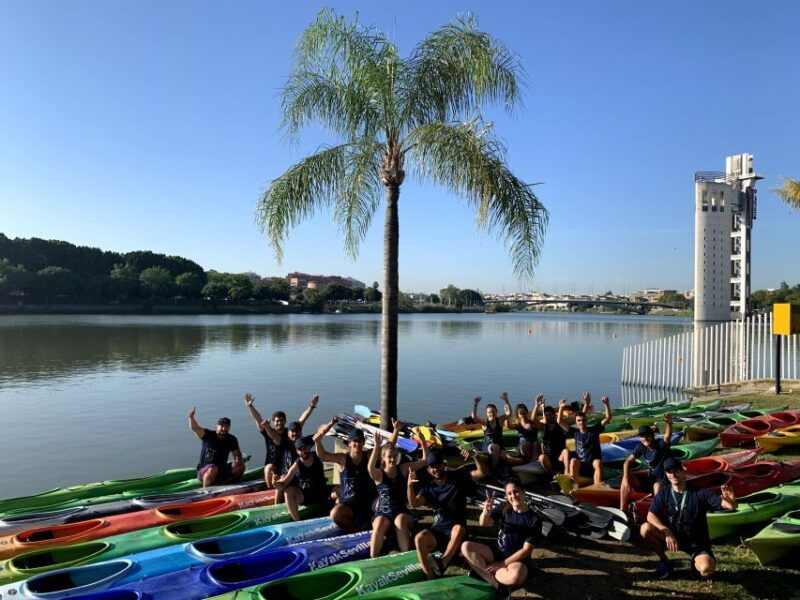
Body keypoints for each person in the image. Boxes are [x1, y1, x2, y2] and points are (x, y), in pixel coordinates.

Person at [640, 457, 736, 579]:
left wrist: (731, 502)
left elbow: (727, 505)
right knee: (645, 528)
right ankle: (665, 562)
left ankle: (695, 562)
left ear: (683, 471)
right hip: (673, 537)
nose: (673, 474)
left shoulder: (700, 493)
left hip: (696, 543)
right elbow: (651, 515)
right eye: (669, 472)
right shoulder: (664, 492)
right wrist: (666, 531)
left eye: (676, 471)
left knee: (706, 570)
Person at [407, 448, 484, 579]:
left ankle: (443, 562)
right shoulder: (429, 487)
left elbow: (482, 472)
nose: (435, 469)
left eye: (437, 465)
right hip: (439, 529)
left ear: (444, 465)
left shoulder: (458, 477)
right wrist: (409, 486)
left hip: (457, 531)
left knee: (458, 528)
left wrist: (475, 456)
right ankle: (429, 575)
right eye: (431, 467)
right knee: (419, 537)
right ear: (428, 470)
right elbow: (414, 504)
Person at [461, 478, 541, 597]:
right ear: (506, 496)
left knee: (517, 576)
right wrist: (485, 512)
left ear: (523, 491)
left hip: (516, 560)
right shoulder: (504, 507)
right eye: (509, 493)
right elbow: (483, 523)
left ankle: (482, 571)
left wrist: (501, 564)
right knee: (466, 546)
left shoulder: (534, 519)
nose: (513, 496)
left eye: (516, 491)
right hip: (497, 552)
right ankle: (496, 584)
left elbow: (526, 550)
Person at [367, 423, 427, 557]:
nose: (392, 459)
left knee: (399, 521)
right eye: (389, 456)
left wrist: (422, 441)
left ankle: (405, 556)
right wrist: (377, 446)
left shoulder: (403, 469)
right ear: (383, 458)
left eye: (394, 456)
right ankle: (372, 558)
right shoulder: (379, 474)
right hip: (383, 513)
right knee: (378, 523)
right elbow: (370, 468)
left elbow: (424, 461)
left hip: (402, 513)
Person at [244, 393, 319, 500]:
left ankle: (285, 491)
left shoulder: (290, 432)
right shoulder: (268, 431)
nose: (279, 423)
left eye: (281, 420)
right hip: (273, 463)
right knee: (269, 469)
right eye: (277, 421)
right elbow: (258, 418)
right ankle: (272, 492)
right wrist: (250, 406)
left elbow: (302, 420)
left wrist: (311, 406)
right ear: (273, 422)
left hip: (288, 463)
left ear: (285, 421)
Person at [315, 417, 376, 531]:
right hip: (349, 504)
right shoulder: (343, 458)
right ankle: (356, 531)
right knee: (335, 514)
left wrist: (396, 431)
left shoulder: (368, 455)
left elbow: (387, 447)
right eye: (355, 441)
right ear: (349, 443)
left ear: (363, 443)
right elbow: (323, 456)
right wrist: (318, 442)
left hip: (368, 501)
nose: (357, 444)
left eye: (360, 441)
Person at [620, 414, 673, 511]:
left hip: (664, 480)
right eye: (642, 436)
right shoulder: (641, 447)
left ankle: (658, 512)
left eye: (647, 435)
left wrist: (669, 423)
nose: (645, 438)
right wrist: (626, 478)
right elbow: (627, 462)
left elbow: (668, 436)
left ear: (652, 436)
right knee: (626, 478)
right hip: (651, 479)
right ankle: (622, 510)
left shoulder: (661, 445)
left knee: (656, 486)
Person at [273, 434, 331, 521]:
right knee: (288, 491)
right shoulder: (296, 465)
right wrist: (274, 483)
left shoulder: (318, 456)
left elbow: (331, 456)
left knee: (338, 490)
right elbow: (283, 485)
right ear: (297, 451)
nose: (303, 451)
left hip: (322, 492)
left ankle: (334, 516)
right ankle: (298, 522)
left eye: (305, 447)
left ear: (309, 447)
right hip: (306, 495)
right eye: (300, 449)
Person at [188, 406, 244, 487]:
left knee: (241, 466)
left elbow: (237, 455)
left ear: (229, 427)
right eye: (222, 426)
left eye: (226, 426)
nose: (224, 428)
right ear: (217, 426)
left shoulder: (232, 439)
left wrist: (238, 461)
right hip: (204, 472)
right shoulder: (208, 435)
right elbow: (195, 428)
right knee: (213, 468)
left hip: (221, 471)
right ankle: (206, 492)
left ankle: (234, 486)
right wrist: (191, 417)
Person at [567, 395, 612, 487]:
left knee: (598, 462)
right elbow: (560, 422)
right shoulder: (574, 432)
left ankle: (597, 488)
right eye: (578, 421)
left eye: (583, 420)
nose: (581, 422)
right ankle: (575, 489)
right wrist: (561, 408)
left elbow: (607, 417)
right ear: (576, 422)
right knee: (573, 461)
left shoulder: (594, 430)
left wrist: (606, 404)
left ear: (586, 421)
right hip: (582, 466)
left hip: (593, 465)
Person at [471, 394, 518, 479]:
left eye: (493, 411)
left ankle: (508, 469)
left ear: (496, 412)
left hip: (500, 446)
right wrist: (475, 404)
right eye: (489, 412)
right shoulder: (485, 422)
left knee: (504, 456)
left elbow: (509, 413)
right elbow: (474, 417)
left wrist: (506, 400)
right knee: (495, 447)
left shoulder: (499, 420)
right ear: (486, 413)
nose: (491, 414)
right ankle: (494, 471)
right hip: (488, 446)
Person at [529, 396, 570, 474]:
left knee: (566, 451)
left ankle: (566, 475)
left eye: (551, 415)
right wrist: (536, 405)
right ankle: (553, 475)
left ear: (555, 415)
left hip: (560, 457)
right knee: (541, 457)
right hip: (549, 459)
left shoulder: (560, 425)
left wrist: (561, 407)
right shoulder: (543, 427)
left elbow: (561, 420)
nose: (549, 417)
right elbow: (533, 420)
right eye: (547, 415)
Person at [508, 397, 539, 463]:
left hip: (534, 447)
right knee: (527, 444)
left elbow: (533, 416)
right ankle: (525, 461)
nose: (523, 415)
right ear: (518, 415)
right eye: (521, 414)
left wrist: (536, 405)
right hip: (523, 448)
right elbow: (509, 426)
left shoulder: (532, 422)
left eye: (524, 413)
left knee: (535, 443)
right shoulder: (518, 425)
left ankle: (532, 462)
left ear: (527, 412)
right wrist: (507, 416)